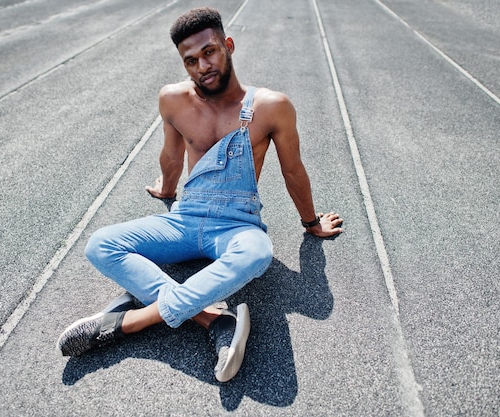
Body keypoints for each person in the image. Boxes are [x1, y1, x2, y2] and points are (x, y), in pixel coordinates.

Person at [56, 7, 343, 382]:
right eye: (190, 60)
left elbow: (293, 170)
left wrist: (311, 222)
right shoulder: (173, 100)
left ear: (228, 45)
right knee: (99, 244)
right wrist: (166, 187)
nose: (202, 65)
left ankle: (134, 320)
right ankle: (212, 319)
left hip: (236, 224)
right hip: (185, 219)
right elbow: (172, 153)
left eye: (209, 52)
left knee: (258, 253)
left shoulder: (271, 106)